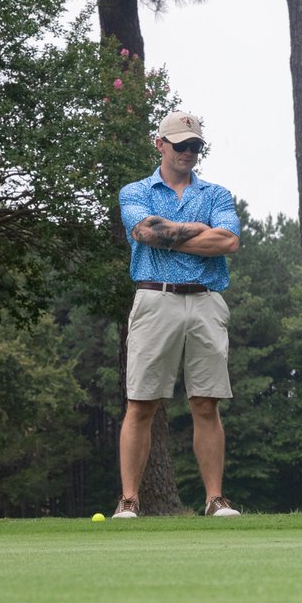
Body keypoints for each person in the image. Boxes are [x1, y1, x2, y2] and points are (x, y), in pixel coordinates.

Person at [112, 111, 242, 519]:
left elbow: (229, 241)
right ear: (160, 144)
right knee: (142, 403)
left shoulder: (217, 194)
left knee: (206, 403)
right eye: (180, 144)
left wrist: (168, 235)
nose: (188, 152)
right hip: (155, 300)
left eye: (195, 146)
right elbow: (144, 233)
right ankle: (130, 500)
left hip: (206, 300)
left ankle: (215, 499)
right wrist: (199, 232)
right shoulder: (135, 191)